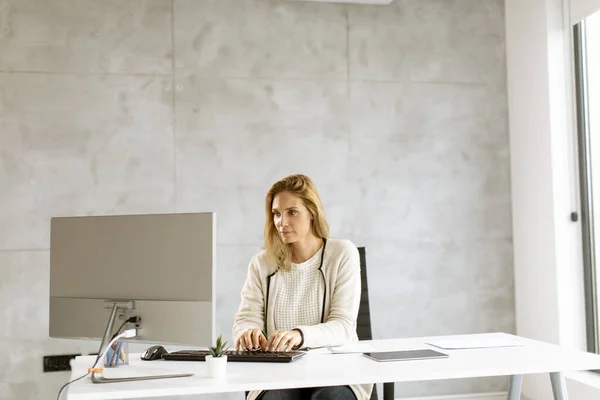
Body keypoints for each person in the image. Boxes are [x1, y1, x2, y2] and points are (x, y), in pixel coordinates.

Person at [232, 174, 373, 400]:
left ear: (312, 213)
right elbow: (245, 320)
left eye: (292, 212)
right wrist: (247, 332)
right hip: (278, 375)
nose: (281, 222)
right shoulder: (261, 264)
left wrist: (299, 335)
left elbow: (343, 326)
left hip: (335, 372)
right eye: (276, 213)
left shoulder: (342, 253)